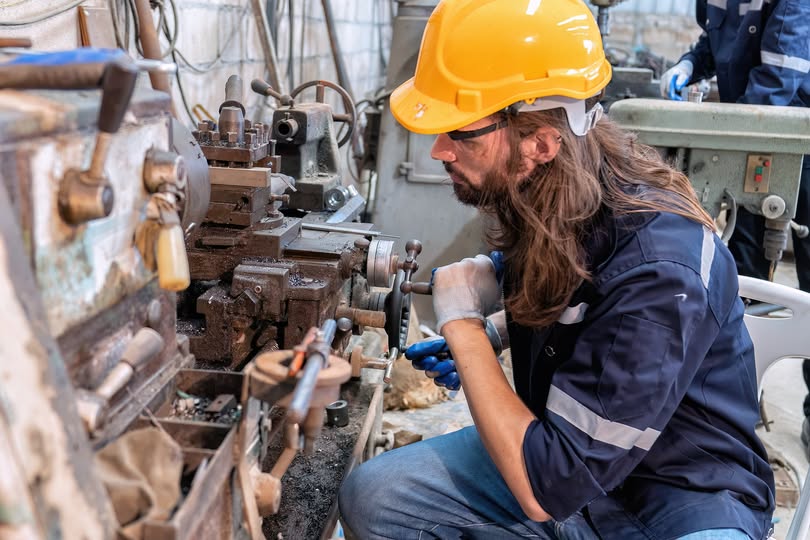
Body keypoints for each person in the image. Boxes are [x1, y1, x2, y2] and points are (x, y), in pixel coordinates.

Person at [338, 0, 775, 538]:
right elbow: (589, 298)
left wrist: (463, 326)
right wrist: (500, 324)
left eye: (460, 132)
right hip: (567, 448)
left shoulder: (663, 269)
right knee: (378, 498)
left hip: (676, 496)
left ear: (540, 142)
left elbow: (549, 486)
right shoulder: (560, 186)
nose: (438, 151)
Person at [661, 0, 810, 457]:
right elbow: (716, 38)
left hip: (795, 144)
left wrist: (725, 134)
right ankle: (729, 411)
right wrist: (690, 62)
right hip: (754, 145)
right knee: (741, 278)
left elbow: (781, 76)